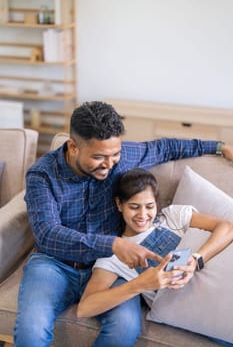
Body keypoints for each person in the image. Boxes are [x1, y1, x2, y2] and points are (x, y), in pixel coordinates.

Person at [14, 101, 233, 347]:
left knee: (125, 327)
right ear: (73, 147)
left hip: (111, 269)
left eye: (114, 154)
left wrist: (220, 147)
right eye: (98, 157)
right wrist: (114, 244)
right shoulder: (42, 176)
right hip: (54, 265)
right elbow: (47, 234)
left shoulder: (122, 158)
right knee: (31, 330)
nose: (109, 164)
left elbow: (166, 148)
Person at [77, 168, 233, 347]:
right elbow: (85, 308)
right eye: (134, 207)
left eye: (149, 206)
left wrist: (196, 259)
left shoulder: (173, 217)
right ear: (119, 204)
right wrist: (140, 285)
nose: (143, 215)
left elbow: (226, 227)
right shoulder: (115, 254)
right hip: (195, 312)